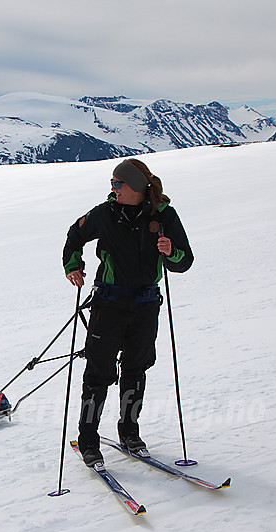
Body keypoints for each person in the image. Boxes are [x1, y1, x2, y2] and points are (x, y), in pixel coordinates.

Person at [62, 158, 193, 467]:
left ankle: (129, 432)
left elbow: (184, 261)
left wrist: (170, 251)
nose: (113, 188)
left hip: (146, 305)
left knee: (135, 369)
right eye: (112, 184)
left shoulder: (164, 216)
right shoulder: (104, 214)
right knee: (99, 374)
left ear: (134, 187)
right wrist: (73, 265)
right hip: (108, 305)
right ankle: (88, 439)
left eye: (117, 184)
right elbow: (74, 235)